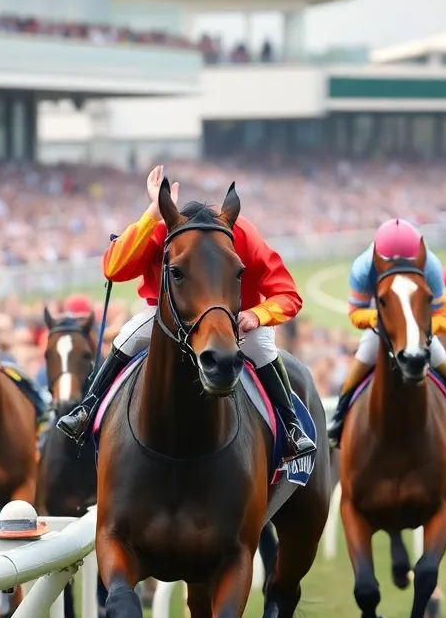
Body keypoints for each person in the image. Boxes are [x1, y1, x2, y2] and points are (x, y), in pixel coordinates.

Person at [57, 165, 316, 462]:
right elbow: (113, 269)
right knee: (127, 337)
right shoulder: (164, 227)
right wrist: (152, 212)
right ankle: (87, 410)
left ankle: (292, 429)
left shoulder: (242, 231)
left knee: (261, 346)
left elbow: (289, 295)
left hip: (239, 320)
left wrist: (259, 314)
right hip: (171, 318)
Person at [324, 219, 446, 450]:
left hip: (420, 326)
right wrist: (380, 320)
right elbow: (355, 313)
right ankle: (339, 418)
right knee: (361, 361)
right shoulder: (363, 267)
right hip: (384, 322)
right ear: (379, 258)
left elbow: (445, 314)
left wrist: (418, 326)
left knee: (441, 360)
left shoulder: (430, 264)